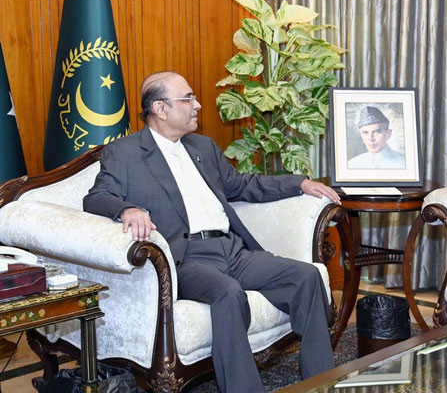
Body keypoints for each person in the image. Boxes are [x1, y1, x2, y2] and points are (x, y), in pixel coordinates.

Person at [83, 71, 341, 393]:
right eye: (188, 98)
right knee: (228, 293)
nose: (198, 105)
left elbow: (242, 185)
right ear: (161, 109)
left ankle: (322, 384)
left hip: (232, 250)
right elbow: (96, 197)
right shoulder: (125, 153)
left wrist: (298, 183)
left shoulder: (202, 145)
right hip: (187, 258)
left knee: (306, 277)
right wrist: (127, 209)